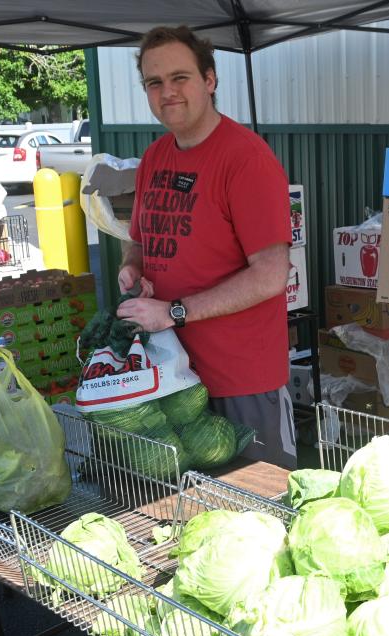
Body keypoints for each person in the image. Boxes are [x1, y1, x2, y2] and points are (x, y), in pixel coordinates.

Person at [115, 25, 297, 469]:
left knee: (262, 514)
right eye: (154, 83)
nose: (167, 92)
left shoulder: (246, 160)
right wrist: (131, 268)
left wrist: (173, 311)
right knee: (192, 518)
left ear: (210, 80)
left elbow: (271, 276)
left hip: (240, 379)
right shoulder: (155, 157)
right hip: (173, 377)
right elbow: (139, 238)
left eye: (180, 78)